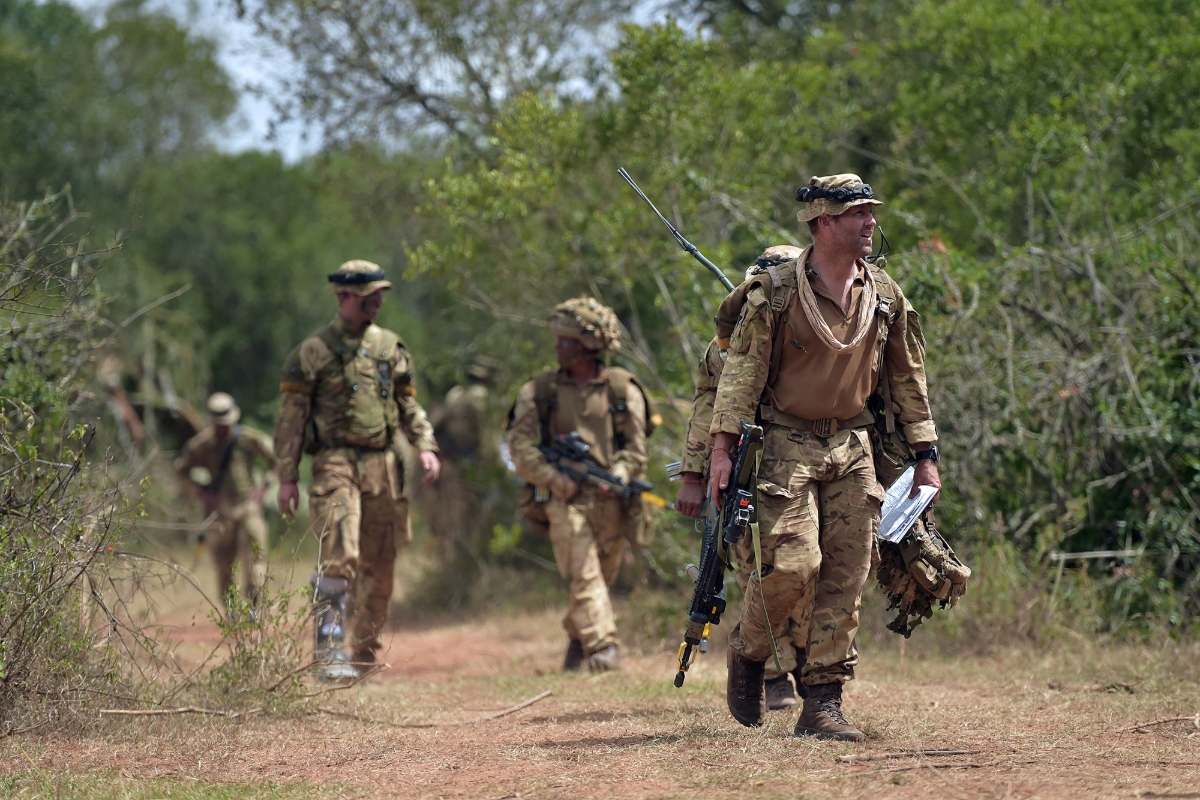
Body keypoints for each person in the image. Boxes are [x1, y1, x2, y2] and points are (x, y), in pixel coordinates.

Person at [708, 175, 941, 740]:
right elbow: (741, 374)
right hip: (786, 443)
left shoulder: (884, 294)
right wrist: (720, 449)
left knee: (845, 576)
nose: (869, 223)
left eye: (870, 213)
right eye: (857, 214)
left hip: (854, 446)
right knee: (792, 566)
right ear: (822, 222)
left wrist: (924, 453)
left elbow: (908, 377)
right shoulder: (778, 292)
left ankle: (823, 704)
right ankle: (750, 650)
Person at [273, 260, 440, 679]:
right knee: (340, 552)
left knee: (381, 564)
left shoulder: (390, 347)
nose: (378, 303)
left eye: (381, 295)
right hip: (334, 462)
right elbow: (291, 418)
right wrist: (287, 476)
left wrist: (425, 445)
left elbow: (407, 405)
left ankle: (364, 652)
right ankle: (329, 650)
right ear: (344, 297)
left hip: (383, 466)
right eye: (369, 297)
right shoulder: (312, 352)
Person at [675, 246, 811, 711]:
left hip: (806, 465)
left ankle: (809, 670)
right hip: (747, 468)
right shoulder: (723, 349)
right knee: (758, 568)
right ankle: (772, 674)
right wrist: (694, 475)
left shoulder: (816, 340)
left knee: (812, 569)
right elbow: (707, 409)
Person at [506, 297, 649, 673]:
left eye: (565, 340)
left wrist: (617, 476)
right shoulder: (539, 389)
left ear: (588, 346)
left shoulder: (622, 389)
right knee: (583, 572)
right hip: (563, 499)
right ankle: (605, 647)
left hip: (611, 502)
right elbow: (519, 446)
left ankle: (577, 640)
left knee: (602, 575)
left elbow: (636, 451)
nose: (557, 346)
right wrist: (556, 480)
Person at [175, 392, 276, 612]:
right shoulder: (201, 445)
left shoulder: (249, 439)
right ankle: (231, 612)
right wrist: (201, 494)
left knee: (255, 561)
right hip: (219, 512)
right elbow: (181, 472)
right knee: (223, 567)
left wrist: (264, 487)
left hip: (248, 507)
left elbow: (277, 460)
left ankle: (254, 610)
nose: (223, 427)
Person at [421, 356, 499, 554]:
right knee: (461, 515)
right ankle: (451, 560)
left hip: (448, 461)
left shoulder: (456, 394)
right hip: (466, 464)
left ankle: (445, 555)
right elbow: (487, 437)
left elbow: (436, 424)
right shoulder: (481, 397)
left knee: (449, 512)